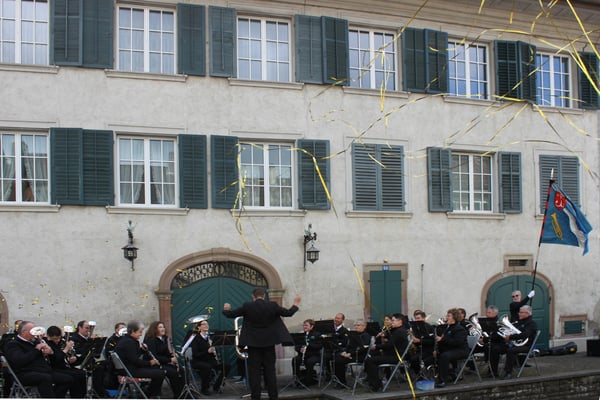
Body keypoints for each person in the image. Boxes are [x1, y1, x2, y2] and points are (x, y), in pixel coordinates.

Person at [222, 287, 301, 400]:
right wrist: (296, 304)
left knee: (254, 373)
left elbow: (231, 314)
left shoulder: (247, 306)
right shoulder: (272, 305)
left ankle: (256, 397)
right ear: (264, 296)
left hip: (253, 345)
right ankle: (273, 396)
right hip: (269, 344)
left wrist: (226, 309)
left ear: (253, 296)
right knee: (270, 371)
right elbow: (288, 313)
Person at [3, 321, 73, 398]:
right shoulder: (13, 344)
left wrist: (50, 352)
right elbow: (19, 360)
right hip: (24, 373)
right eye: (33, 331)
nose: (35, 334)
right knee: (45, 378)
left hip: (42, 370)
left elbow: (49, 358)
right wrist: (36, 350)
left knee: (67, 379)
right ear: (23, 332)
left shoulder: (34, 342)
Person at [115, 321, 165, 398]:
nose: (141, 334)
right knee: (161, 373)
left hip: (128, 368)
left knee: (156, 369)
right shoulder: (129, 342)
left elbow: (133, 355)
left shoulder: (127, 340)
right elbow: (135, 361)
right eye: (140, 332)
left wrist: (142, 350)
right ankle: (149, 394)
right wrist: (150, 363)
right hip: (130, 370)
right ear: (133, 332)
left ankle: (149, 392)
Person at [491, 305, 538, 380]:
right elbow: (512, 332)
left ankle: (508, 372)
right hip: (514, 344)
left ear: (527, 313)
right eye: (519, 312)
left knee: (511, 351)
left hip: (526, 346)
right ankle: (493, 372)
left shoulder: (531, 324)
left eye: (521, 312)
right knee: (495, 348)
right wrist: (506, 336)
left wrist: (511, 337)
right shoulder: (518, 322)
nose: (519, 314)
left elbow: (525, 334)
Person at [365, 313, 409, 392]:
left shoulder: (399, 332)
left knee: (370, 361)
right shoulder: (397, 330)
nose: (392, 322)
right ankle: (374, 382)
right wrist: (384, 334)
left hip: (396, 357)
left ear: (400, 321)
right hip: (390, 354)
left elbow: (389, 345)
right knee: (370, 358)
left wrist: (377, 346)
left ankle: (376, 385)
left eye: (393, 320)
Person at [189, 318, 230, 396]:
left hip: (209, 360)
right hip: (198, 361)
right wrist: (207, 351)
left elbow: (211, 352)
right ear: (199, 327)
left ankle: (217, 386)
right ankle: (204, 388)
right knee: (207, 367)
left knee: (226, 366)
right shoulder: (195, 338)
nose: (206, 325)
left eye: (207, 324)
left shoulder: (209, 338)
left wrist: (214, 352)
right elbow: (195, 354)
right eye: (204, 324)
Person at [144, 321, 184, 398]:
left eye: (163, 327)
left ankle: (183, 393)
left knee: (181, 370)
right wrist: (170, 360)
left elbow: (167, 352)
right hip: (154, 364)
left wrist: (173, 355)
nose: (163, 329)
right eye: (160, 327)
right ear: (155, 329)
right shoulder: (150, 339)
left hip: (163, 362)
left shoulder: (165, 338)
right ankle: (178, 395)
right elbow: (154, 356)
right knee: (173, 372)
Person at [45, 325, 87, 398]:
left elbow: (65, 356)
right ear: (49, 336)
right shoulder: (47, 344)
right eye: (55, 339)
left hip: (63, 366)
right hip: (55, 368)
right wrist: (66, 349)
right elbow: (56, 359)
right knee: (74, 376)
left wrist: (72, 357)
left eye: (59, 338)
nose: (58, 340)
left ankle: (82, 396)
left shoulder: (61, 342)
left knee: (82, 373)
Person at [434, 308, 469, 388]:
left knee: (445, 356)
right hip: (452, 349)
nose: (446, 317)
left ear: (454, 317)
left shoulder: (460, 329)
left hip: (461, 350)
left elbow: (457, 342)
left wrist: (442, 339)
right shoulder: (448, 328)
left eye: (448, 316)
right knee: (439, 354)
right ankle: (450, 374)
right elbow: (446, 341)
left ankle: (443, 380)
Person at [333, 319, 371, 387]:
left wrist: (350, 354)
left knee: (340, 361)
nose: (356, 327)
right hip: (352, 354)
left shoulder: (366, 335)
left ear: (364, 326)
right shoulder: (353, 334)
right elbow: (350, 346)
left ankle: (342, 382)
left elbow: (363, 349)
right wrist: (344, 352)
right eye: (355, 325)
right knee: (337, 358)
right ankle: (340, 381)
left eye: (358, 325)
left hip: (360, 356)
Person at [292, 319, 323, 387]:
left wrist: (308, 346)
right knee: (295, 360)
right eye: (304, 325)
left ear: (312, 326)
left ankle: (308, 381)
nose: (304, 327)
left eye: (306, 325)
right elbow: (296, 346)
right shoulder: (301, 335)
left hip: (314, 354)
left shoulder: (317, 334)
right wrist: (300, 349)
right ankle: (298, 379)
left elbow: (319, 346)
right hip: (303, 354)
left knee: (309, 362)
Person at [409, 310, 435, 377]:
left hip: (428, 350)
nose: (416, 320)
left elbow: (431, 341)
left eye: (418, 318)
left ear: (423, 318)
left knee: (414, 359)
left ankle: (419, 375)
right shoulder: (415, 327)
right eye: (415, 318)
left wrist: (419, 341)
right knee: (408, 357)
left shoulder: (429, 327)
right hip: (419, 349)